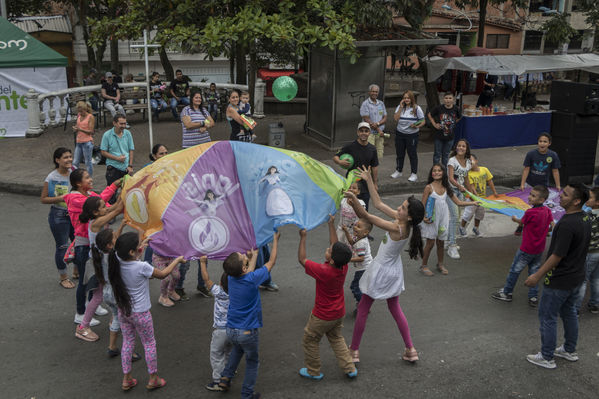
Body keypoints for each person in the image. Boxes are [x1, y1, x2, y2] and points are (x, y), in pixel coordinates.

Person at [344, 166, 424, 364]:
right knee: (395, 309)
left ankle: (353, 351)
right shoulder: (403, 223)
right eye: (402, 205)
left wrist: (354, 202)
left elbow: (370, 217)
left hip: (381, 271)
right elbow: (378, 203)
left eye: (403, 208)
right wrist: (369, 180)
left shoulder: (398, 226)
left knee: (363, 309)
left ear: (410, 216)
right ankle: (410, 349)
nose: (399, 208)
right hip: (393, 270)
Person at [524, 184, 591, 369]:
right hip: (576, 277)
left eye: (566, 194)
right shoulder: (584, 217)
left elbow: (557, 255)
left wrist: (537, 275)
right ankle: (569, 350)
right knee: (569, 313)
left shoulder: (567, 224)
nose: (560, 196)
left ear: (577, 201)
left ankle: (547, 357)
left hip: (560, 279)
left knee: (548, 316)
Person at [108, 231, 185, 390]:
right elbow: (163, 273)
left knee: (128, 342)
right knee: (149, 343)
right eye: (138, 246)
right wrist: (176, 260)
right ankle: (153, 378)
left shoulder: (116, 259)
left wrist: (142, 243)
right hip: (141, 312)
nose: (140, 247)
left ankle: (126, 378)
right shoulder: (142, 267)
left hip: (124, 310)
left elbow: (129, 255)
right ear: (131, 251)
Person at [218, 233, 280, 398]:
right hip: (247, 331)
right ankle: (246, 394)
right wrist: (274, 240)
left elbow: (247, 271)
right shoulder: (252, 279)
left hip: (231, 329)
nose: (244, 254)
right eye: (243, 256)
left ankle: (225, 377)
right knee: (252, 362)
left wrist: (254, 255)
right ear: (244, 268)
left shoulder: (231, 278)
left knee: (237, 350)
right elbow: (271, 262)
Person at [297, 217, 358, 380]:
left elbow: (302, 260)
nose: (328, 248)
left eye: (329, 250)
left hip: (322, 316)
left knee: (310, 340)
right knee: (336, 337)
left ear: (331, 259)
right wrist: (331, 225)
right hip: (338, 313)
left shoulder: (324, 270)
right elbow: (336, 244)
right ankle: (349, 368)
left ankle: (313, 370)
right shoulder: (343, 265)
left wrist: (303, 238)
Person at [63, 169, 120, 325]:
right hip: (84, 245)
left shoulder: (90, 194)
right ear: (78, 183)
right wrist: (114, 187)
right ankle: (80, 313)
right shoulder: (76, 198)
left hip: (94, 245)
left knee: (95, 280)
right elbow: (103, 203)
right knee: (84, 281)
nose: (91, 179)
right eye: (87, 177)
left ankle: (91, 304)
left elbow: (106, 206)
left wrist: (118, 198)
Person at [491, 185, 553, 307]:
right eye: (530, 194)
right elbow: (552, 224)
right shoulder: (547, 211)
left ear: (541, 200)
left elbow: (522, 222)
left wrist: (515, 219)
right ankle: (533, 297)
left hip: (526, 249)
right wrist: (548, 230)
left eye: (533, 196)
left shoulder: (530, 212)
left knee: (515, 270)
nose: (529, 197)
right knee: (534, 272)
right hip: (539, 249)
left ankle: (507, 292)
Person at [75, 197, 124, 341]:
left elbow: (116, 205)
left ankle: (115, 317)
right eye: (103, 207)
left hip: (104, 262)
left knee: (109, 291)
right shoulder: (96, 222)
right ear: (95, 212)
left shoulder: (99, 215)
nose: (106, 207)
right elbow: (117, 211)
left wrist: (125, 188)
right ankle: (83, 327)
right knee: (98, 296)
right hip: (99, 264)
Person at [91, 226, 142, 362]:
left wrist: (122, 225)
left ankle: (112, 346)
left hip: (107, 293)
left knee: (116, 317)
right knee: (127, 323)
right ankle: (129, 352)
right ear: (110, 244)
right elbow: (132, 260)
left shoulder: (100, 254)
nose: (117, 237)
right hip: (117, 293)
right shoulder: (116, 256)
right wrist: (141, 237)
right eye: (114, 237)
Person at [419, 164, 478, 276]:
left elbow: (458, 202)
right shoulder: (428, 188)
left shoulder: (446, 188)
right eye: (434, 171)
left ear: (443, 173)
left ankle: (440, 264)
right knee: (430, 243)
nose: (436, 172)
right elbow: (422, 205)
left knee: (441, 242)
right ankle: (424, 265)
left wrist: (473, 202)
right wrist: (423, 217)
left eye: (439, 170)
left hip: (443, 219)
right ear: (431, 173)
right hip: (432, 219)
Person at [41, 147, 75, 289]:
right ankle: (63, 277)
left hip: (75, 215)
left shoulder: (74, 172)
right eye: (65, 157)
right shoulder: (51, 178)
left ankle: (78, 270)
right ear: (57, 160)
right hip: (59, 216)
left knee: (78, 244)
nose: (69, 160)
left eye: (70, 156)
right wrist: (61, 198)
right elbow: (43, 199)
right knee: (62, 246)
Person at [516, 133, 561, 236]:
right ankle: (520, 225)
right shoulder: (531, 154)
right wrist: (522, 184)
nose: (542, 143)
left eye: (545, 141)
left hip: (543, 187)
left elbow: (555, 171)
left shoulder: (553, 155)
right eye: (540, 141)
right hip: (530, 185)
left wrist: (558, 185)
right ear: (537, 142)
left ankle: (544, 226)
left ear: (549, 143)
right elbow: (526, 169)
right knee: (527, 206)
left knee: (542, 209)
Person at [199, 256, 233, 391]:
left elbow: (206, 279)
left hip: (220, 330)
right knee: (229, 352)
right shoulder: (237, 293)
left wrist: (202, 263)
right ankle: (229, 372)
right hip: (233, 330)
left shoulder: (218, 292)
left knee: (217, 354)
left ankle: (218, 380)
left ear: (221, 283)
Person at [333, 122, 379, 211]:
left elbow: (374, 167)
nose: (364, 133)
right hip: (352, 185)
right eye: (361, 131)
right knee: (350, 211)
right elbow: (335, 156)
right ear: (358, 133)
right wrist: (340, 162)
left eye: (366, 131)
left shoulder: (372, 149)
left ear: (369, 133)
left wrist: (375, 184)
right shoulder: (350, 146)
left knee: (364, 212)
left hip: (365, 185)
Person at [459, 153, 498, 237]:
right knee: (468, 214)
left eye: (471, 160)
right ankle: (462, 227)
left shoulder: (484, 170)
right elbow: (472, 188)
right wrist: (476, 198)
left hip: (482, 198)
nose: (469, 163)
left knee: (480, 214)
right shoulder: (468, 174)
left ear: (476, 161)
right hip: (472, 198)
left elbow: (490, 181)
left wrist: (494, 192)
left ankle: (476, 228)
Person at [446, 139, 473, 260]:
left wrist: (471, 193)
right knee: (455, 217)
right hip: (451, 191)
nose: (461, 148)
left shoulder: (468, 162)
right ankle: (452, 245)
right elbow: (451, 178)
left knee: (455, 217)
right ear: (456, 147)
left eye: (463, 146)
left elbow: (466, 179)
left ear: (466, 149)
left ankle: (448, 240)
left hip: (461, 192)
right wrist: (459, 187)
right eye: (459, 146)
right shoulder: (452, 161)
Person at [100, 115, 135, 203]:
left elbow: (131, 149)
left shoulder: (127, 133)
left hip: (126, 167)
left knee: (127, 193)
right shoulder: (107, 135)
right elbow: (103, 152)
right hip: (113, 168)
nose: (123, 126)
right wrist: (117, 158)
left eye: (124, 123)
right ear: (114, 123)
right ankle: (110, 214)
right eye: (121, 124)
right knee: (111, 194)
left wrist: (130, 165)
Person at [341, 218, 373, 312]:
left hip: (364, 269)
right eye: (355, 225)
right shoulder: (359, 237)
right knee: (359, 286)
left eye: (358, 226)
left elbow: (361, 258)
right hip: (365, 268)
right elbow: (351, 242)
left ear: (365, 232)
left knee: (355, 287)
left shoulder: (361, 243)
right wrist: (346, 231)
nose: (355, 227)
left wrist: (348, 260)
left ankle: (363, 305)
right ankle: (363, 302)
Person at [575, 187, 599, 314]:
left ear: (597, 202)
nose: (586, 199)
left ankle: (576, 308)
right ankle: (595, 304)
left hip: (590, 252)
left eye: (589, 198)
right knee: (596, 279)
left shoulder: (588, 216)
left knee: (582, 280)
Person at [392, 90, 424, 182]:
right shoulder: (399, 107)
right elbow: (395, 119)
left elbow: (422, 121)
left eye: (408, 98)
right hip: (400, 134)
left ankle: (414, 174)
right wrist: (401, 108)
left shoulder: (417, 108)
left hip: (412, 135)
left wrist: (416, 125)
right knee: (399, 153)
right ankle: (399, 171)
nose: (406, 99)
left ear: (411, 98)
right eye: (405, 98)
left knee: (412, 154)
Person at [428, 92, 461, 168]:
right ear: (443, 99)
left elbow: (459, 117)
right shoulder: (439, 108)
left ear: (453, 99)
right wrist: (434, 124)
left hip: (450, 137)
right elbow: (429, 115)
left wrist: (453, 123)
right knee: (437, 155)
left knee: (446, 156)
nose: (448, 100)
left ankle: (444, 172)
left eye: (450, 98)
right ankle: (435, 170)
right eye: (446, 98)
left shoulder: (456, 108)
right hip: (439, 136)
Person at [360, 84, 387, 160]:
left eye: (376, 92)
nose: (374, 93)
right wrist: (379, 130)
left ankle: (374, 171)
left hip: (379, 134)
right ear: (369, 92)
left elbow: (385, 117)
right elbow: (366, 119)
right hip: (369, 134)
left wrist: (378, 124)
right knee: (368, 155)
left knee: (379, 154)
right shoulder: (365, 104)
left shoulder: (381, 103)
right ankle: (367, 171)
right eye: (373, 91)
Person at [72, 101, 95, 176]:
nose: (80, 113)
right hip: (79, 141)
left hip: (87, 142)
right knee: (75, 162)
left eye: (81, 111)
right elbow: (77, 125)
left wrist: (80, 129)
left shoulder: (90, 117)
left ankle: (89, 178)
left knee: (88, 162)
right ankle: (75, 178)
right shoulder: (79, 115)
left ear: (85, 109)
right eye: (79, 111)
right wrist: (75, 129)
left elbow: (91, 131)